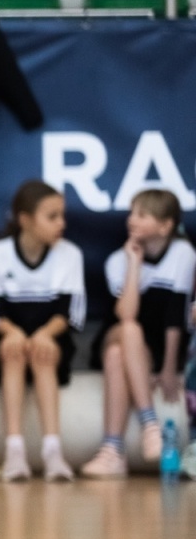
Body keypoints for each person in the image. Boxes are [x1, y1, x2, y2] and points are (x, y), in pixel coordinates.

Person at [81, 189, 195, 478]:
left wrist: (170, 368)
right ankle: (150, 424)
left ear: (165, 225)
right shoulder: (117, 261)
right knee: (128, 331)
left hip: (152, 347)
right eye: (131, 213)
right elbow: (126, 314)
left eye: (141, 215)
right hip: (118, 332)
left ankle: (112, 451)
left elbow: (175, 315)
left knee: (117, 356)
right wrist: (133, 263)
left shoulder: (183, 253)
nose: (132, 220)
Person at [0, 181, 85, 482]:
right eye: (51, 217)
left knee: (43, 353)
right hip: (10, 338)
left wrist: (46, 334)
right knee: (12, 353)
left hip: (50, 338)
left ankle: (53, 451)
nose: (60, 224)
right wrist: (11, 332)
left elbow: (71, 312)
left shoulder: (70, 255)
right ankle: (15, 451)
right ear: (25, 220)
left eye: (62, 216)